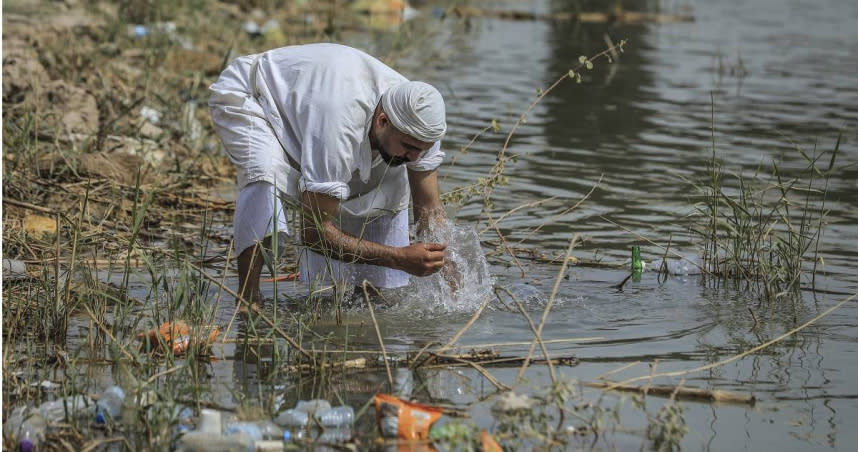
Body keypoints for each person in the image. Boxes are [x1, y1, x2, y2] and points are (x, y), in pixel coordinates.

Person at [208, 43, 452, 303]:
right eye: (409, 147)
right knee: (266, 178)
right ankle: (248, 299)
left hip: (316, 107)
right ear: (382, 121)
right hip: (254, 96)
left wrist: (451, 280)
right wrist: (399, 257)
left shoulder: (423, 124)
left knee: (391, 186)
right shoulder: (339, 123)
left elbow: (430, 210)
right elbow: (314, 233)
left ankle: (369, 299)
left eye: (421, 151)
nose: (414, 157)